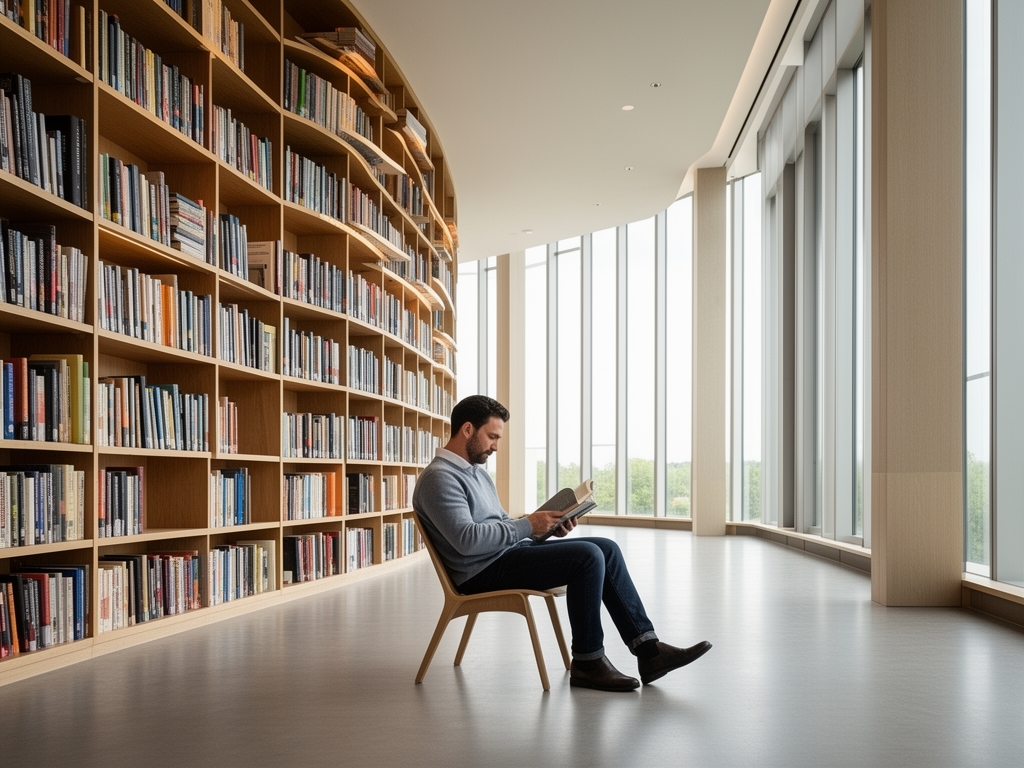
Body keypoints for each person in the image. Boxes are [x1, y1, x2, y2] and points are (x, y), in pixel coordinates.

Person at [413, 395, 711, 692]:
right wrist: (529, 524)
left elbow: (502, 522)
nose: (495, 446)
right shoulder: (440, 478)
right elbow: (467, 541)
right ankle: (588, 663)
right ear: (467, 429)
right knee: (587, 556)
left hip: (506, 555)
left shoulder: (476, 473)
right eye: (492, 437)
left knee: (606, 548)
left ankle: (650, 652)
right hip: (480, 572)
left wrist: (545, 529)